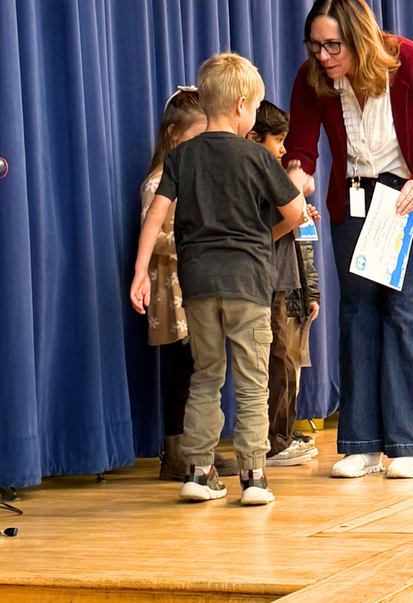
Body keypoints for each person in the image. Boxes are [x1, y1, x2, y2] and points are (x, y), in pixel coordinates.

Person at [284, 0, 413, 480]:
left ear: (360, 38)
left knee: (407, 314)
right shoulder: (313, 77)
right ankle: (360, 445)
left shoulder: (411, 62)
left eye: (333, 46)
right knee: (358, 315)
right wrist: (295, 178)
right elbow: (301, 148)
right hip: (356, 201)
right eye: (315, 45)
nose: (323, 56)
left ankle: (410, 445)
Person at [130, 53, 308, 506]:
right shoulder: (257, 156)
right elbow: (295, 212)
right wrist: (267, 234)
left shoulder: (181, 157)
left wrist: (140, 271)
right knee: (252, 381)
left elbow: (155, 217)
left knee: (205, 376)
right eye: (255, 108)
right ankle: (254, 477)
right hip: (248, 284)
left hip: (198, 286)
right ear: (242, 105)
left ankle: (198, 471)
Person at [137, 87, 240, 481]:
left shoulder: (194, 177)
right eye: (195, 136)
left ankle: (202, 448)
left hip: (197, 284)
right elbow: (153, 234)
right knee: (183, 373)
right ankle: (176, 454)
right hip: (173, 292)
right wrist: (195, 237)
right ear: (172, 134)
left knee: (204, 368)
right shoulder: (158, 181)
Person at [246, 100, 321, 467]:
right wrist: (292, 220)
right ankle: (274, 442)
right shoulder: (254, 177)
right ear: (254, 138)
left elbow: (293, 236)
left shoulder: (273, 174)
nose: (283, 149)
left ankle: (284, 433)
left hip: (284, 281)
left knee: (286, 361)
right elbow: (261, 236)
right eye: (277, 141)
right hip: (265, 280)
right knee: (275, 360)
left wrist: (299, 220)